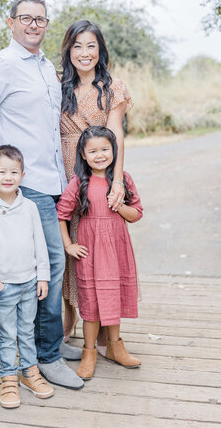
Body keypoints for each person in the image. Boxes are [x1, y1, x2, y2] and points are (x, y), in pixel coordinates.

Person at [0, 0, 84, 390]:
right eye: (25, 18)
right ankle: (48, 357)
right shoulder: (2, 65)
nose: (33, 25)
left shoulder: (45, 67)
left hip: (56, 182)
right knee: (52, 266)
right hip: (30, 185)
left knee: (54, 268)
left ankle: (48, 343)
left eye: (40, 19)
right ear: (11, 23)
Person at [59, 19, 133, 350]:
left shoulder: (112, 87)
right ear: (68, 50)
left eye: (91, 46)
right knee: (71, 247)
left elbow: (116, 132)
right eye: (77, 46)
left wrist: (117, 179)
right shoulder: (58, 85)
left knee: (100, 249)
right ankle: (71, 314)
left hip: (98, 173)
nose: (84, 53)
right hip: (63, 172)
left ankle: (106, 326)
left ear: (100, 49)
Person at [56, 126, 143, 380]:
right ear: (83, 155)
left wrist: (120, 206)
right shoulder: (78, 183)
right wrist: (68, 245)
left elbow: (137, 214)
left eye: (105, 149)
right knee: (91, 303)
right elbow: (61, 214)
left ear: (114, 151)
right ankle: (89, 352)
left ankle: (116, 347)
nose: (100, 155)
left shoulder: (122, 180)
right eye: (92, 151)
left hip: (117, 249)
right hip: (90, 252)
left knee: (113, 297)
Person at [0, 145, 54, 408]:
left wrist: (42, 276)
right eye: (2, 172)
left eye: (14, 172)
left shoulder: (30, 207)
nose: (8, 177)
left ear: (22, 175)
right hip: (4, 285)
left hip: (30, 282)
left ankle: (29, 372)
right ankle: (8, 377)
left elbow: (40, 243)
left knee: (27, 331)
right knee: (7, 334)